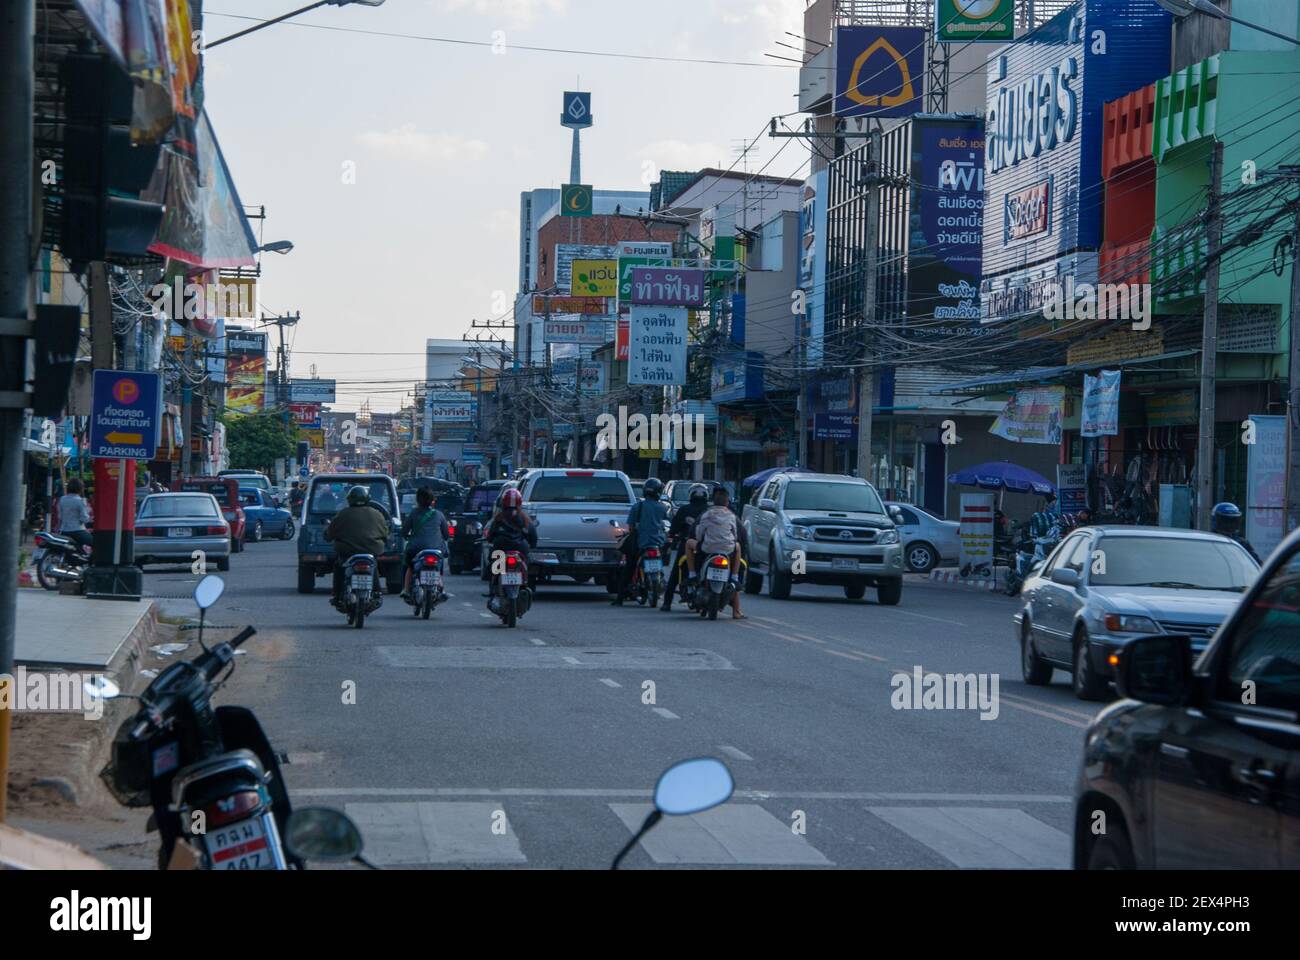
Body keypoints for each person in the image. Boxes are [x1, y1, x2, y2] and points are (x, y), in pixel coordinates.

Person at [324, 485, 390, 606]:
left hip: (348, 552)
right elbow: (385, 533)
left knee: (339, 566)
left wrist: (328, 536)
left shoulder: (342, 514)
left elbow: (329, 534)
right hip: (372, 550)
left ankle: (337, 594)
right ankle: (377, 593)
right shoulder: (377, 514)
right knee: (373, 565)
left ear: (349, 499)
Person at [686, 486, 744, 619]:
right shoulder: (731, 516)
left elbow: (699, 535)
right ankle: (735, 576)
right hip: (727, 550)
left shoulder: (706, 515)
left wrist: (702, 542)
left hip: (707, 549)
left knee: (688, 543)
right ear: (727, 502)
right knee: (738, 546)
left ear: (712, 501)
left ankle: (692, 573)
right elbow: (735, 535)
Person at [613, 477, 669, 607]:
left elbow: (631, 527)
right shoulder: (663, 508)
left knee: (629, 568)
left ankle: (620, 598)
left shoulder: (638, 506)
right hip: (658, 544)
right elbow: (667, 525)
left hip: (640, 544)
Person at [483, 489, 537, 610]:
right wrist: (532, 545)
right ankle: (526, 585)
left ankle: (493, 590)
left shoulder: (498, 519)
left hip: (501, 551)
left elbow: (490, 536)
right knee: (528, 566)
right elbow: (533, 537)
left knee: (493, 569)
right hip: (520, 550)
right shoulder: (524, 518)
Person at [661, 483, 710, 612]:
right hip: (705, 547)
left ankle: (667, 603)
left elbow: (673, 529)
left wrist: (672, 536)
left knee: (675, 574)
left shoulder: (684, 510)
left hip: (688, 546)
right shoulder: (709, 510)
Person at [401, 487, 451, 599]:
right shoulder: (439, 515)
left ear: (418, 500)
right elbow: (446, 535)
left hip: (416, 549)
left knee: (410, 566)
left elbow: (404, 531)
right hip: (436, 550)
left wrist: (407, 536)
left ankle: (405, 589)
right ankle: (442, 589)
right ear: (432, 500)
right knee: (437, 568)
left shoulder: (413, 514)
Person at [57, 478, 93, 551]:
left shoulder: (62, 499)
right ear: (80, 489)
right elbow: (84, 519)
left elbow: (60, 516)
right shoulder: (79, 501)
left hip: (63, 531)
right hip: (77, 532)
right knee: (96, 542)